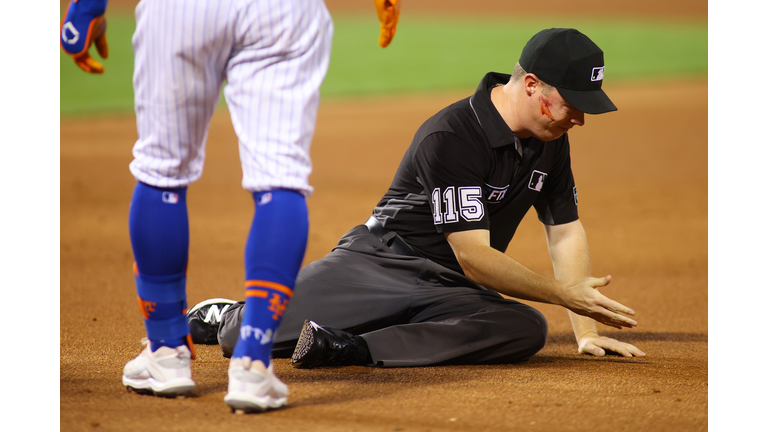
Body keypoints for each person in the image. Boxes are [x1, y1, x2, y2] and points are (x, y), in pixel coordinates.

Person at [197, 27, 646, 368]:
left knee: (524, 328)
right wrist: (565, 294)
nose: (580, 119)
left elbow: (564, 231)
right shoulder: (452, 134)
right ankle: (229, 312)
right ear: (532, 85)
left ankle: (355, 347)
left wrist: (584, 331)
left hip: (453, 289)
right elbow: (473, 256)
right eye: (573, 104)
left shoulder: (551, 141)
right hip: (379, 265)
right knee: (242, 338)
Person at [60, 0, 401, 413]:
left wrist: (87, 6)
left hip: (182, 11)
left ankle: (166, 353)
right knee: (281, 177)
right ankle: (253, 363)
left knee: (162, 170)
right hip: (283, 13)